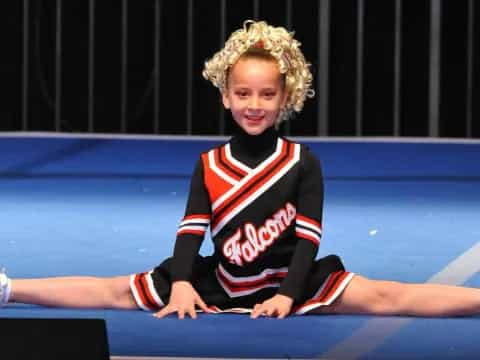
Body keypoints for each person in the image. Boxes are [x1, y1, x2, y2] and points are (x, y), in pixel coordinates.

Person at [1, 20, 480, 320]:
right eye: (244, 94)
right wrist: (185, 281)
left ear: (285, 98)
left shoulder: (301, 163)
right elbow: (192, 231)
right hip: (221, 279)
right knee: (118, 291)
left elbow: (309, 239)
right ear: (226, 96)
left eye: (267, 95)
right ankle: (9, 288)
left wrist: (288, 295)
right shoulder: (210, 163)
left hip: (290, 279)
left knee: (385, 298)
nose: (255, 105)